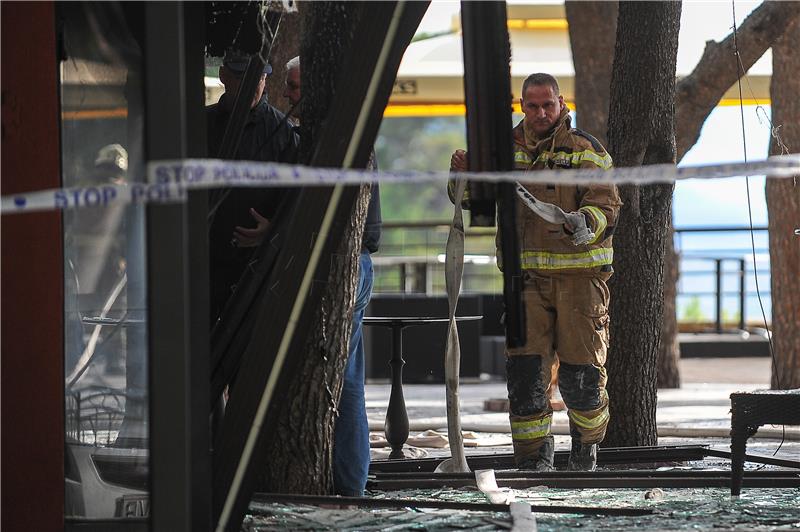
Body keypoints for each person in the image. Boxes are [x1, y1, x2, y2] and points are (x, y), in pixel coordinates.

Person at [450, 73, 620, 472]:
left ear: (562, 103)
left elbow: (607, 206)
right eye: (533, 106)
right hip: (523, 285)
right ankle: (533, 462)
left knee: (581, 378)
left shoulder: (587, 152)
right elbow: (475, 203)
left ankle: (585, 449)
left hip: (580, 284)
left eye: (549, 105)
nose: (541, 113)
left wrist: (585, 221)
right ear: (521, 106)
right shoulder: (501, 152)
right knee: (526, 378)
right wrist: (463, 172)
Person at [285, 56, 382, 496]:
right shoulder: (348, 135)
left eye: (294, 86)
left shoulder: (333, 139)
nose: (288, 95)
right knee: (346, 381)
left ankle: (348, 488)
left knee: (343, 383)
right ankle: (349, 487)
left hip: (346, 266)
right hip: (354, 264)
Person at [206, 49, 299, 324]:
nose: (252, 86)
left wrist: (274, 230)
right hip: (205, 262)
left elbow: (296, 200)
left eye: (258, 78)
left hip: (256, 264)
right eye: (242, 77)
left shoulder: (283, 131)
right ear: (223, 76)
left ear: (266, 81)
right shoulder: (200, 125)